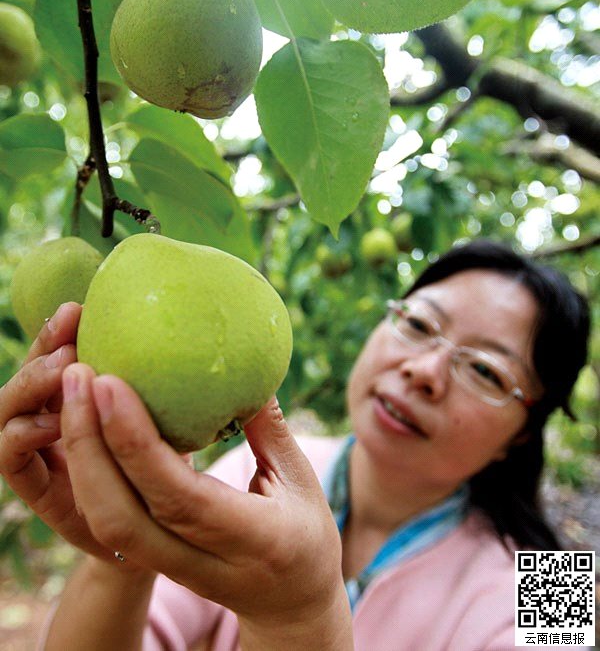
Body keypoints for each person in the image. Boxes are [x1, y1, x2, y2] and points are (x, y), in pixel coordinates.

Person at [0, 238, 591, 651]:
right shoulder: (249, 474)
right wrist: (125, 553)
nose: (425, 370)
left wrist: (299, 622)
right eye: (417, 324)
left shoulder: (560, 587)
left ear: (525, 429)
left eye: (485, 371)